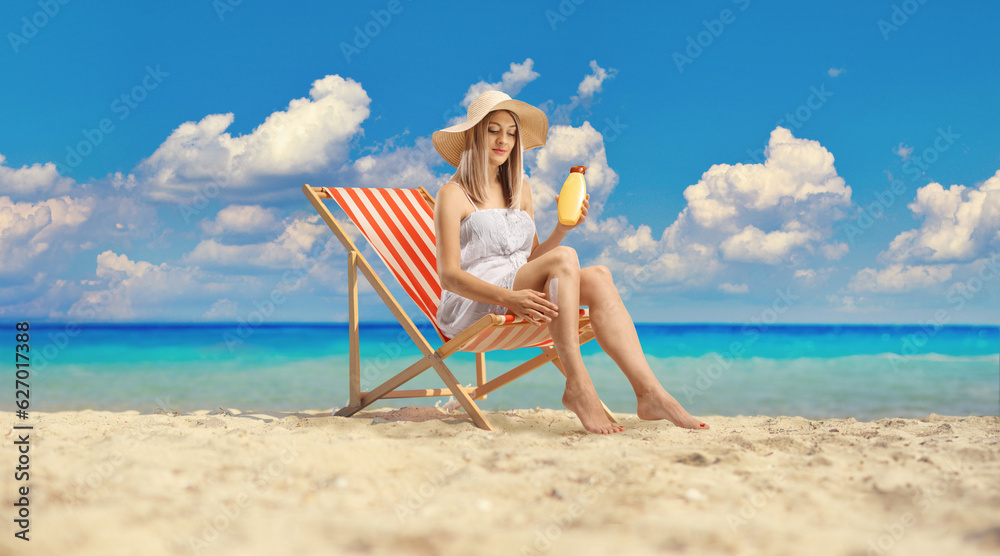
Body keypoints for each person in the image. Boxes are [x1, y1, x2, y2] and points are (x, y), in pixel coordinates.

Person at [432, 90, 708, 434]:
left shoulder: (522, 189)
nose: (504, 140)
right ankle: (578, 386)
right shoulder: (452, 194)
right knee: (566, 260)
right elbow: (449, 276)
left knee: (600, 276)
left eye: (511, 132)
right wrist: (508, 298)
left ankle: (650, 393)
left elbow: (532, 259)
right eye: (493, 130)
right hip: (478, 303)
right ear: (474, 134)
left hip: (520, 289)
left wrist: (563, 229)